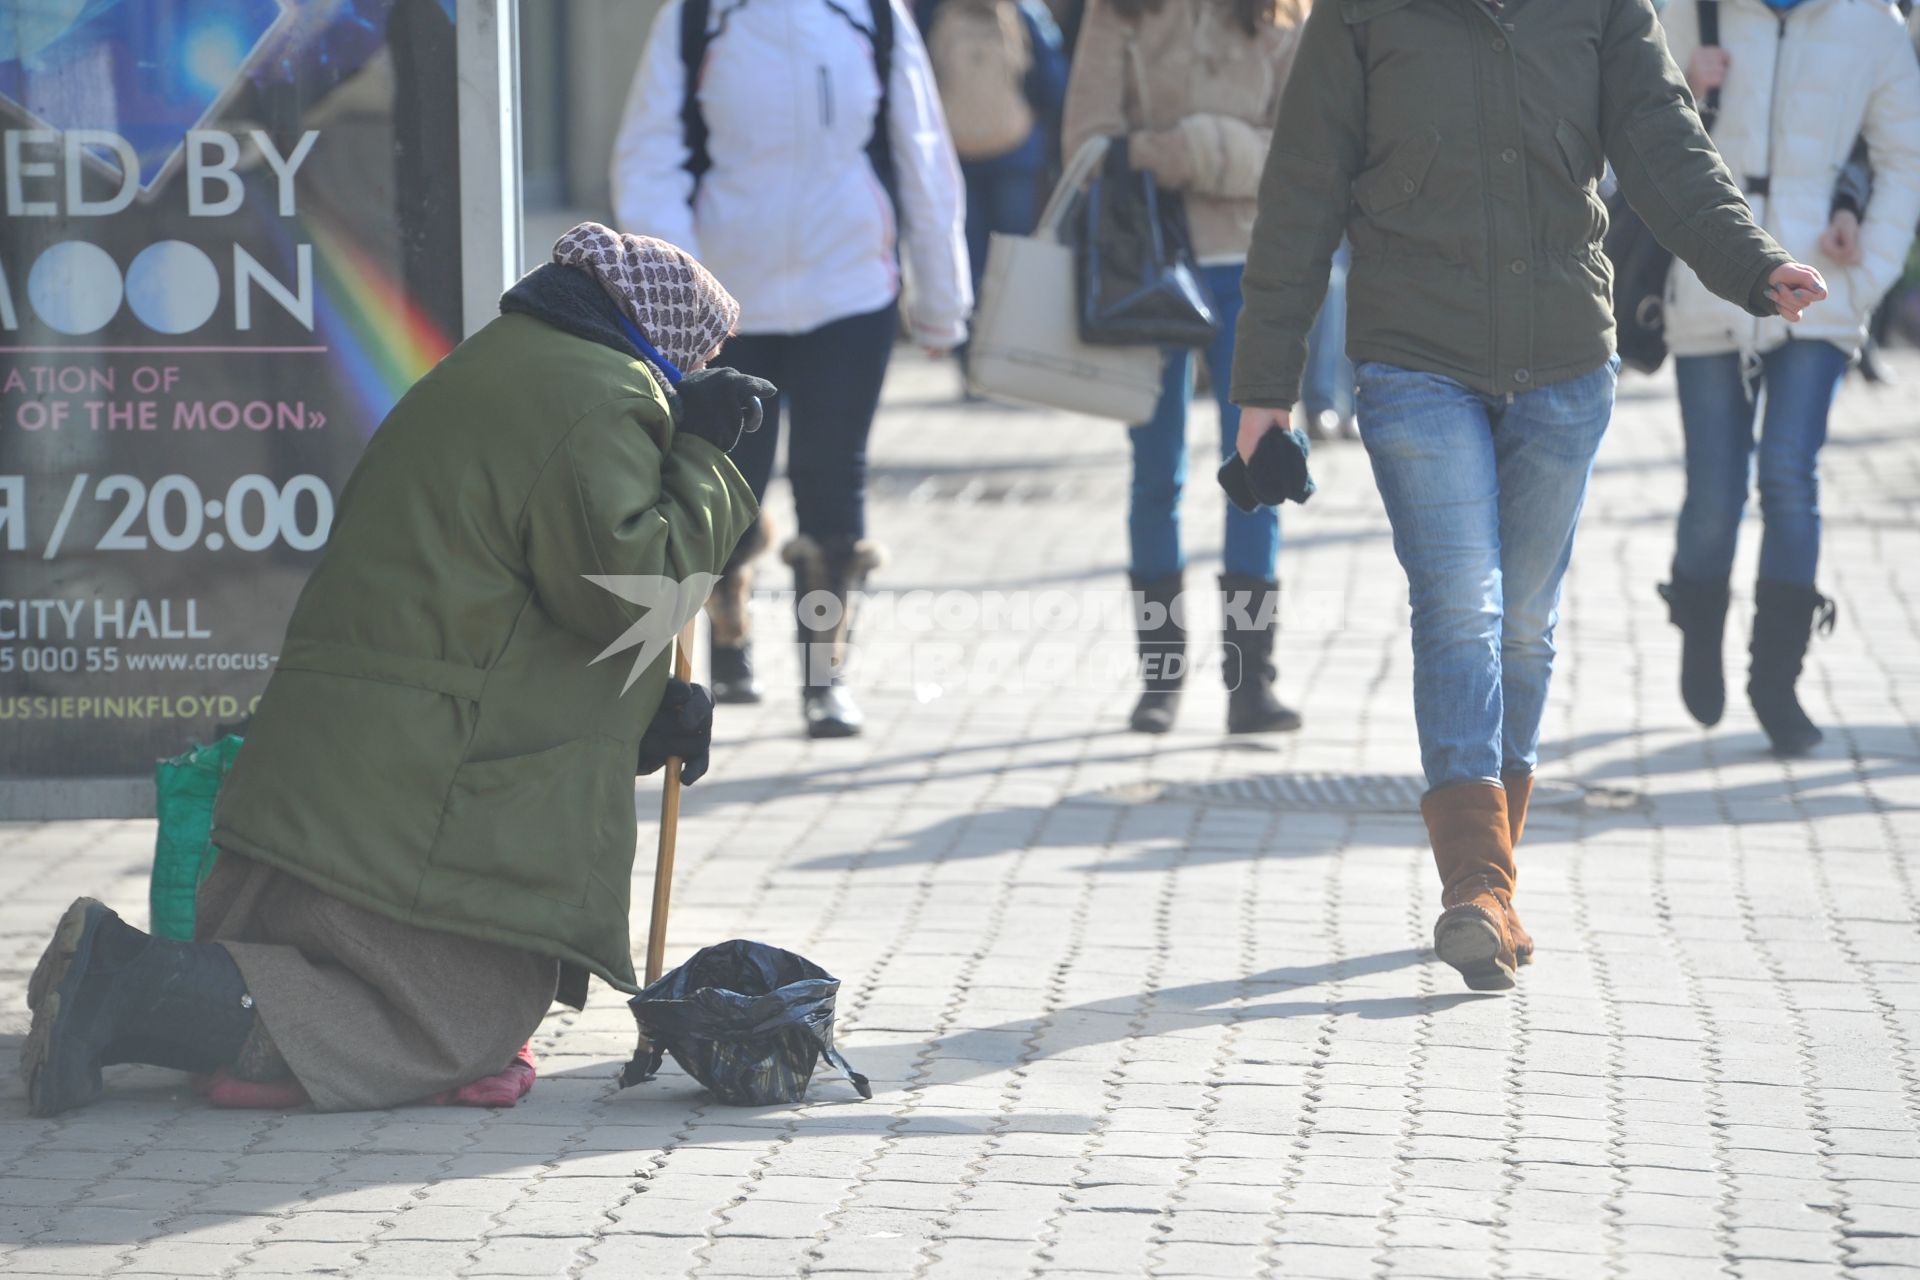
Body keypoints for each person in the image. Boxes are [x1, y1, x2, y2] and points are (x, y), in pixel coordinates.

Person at [20, 225, 767, 1116]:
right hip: (405, 803)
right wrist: (706, 460)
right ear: (663, 329)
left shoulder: (512, 366)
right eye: (703, 351)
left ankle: (138, 987)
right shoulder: (601, 396)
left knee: (407, 997)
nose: (700, 370)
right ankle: (126, 980)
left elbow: (511, 602)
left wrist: (642, 711)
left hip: (348, 780)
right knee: (454, 1023)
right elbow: (632, 588)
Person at [1228, 0, 1828, 991]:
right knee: (1463, 602)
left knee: (1526, 623)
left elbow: (1666, 146)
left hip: (1562, 365)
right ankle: (1475, 883)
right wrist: (1264, 386)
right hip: (1414, 358)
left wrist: (1752, 264)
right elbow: (1302, 189)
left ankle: (1496, 891)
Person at [612, 0, 971, 738]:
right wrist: (681, 296)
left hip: (850, 286)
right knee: (726, 482)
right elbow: (648, 153)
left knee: (833, 474)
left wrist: (942, 297)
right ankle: (730, 631)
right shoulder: (698, 15)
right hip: (729, 292)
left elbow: (921, 147)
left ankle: (823, 676)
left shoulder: (872, 13)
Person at [1657, 0, 1920, 757]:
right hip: (1710, 278)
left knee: (1787, 475)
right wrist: (1683, 81)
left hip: (1822, 288)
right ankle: (1698, 619)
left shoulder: (1873, 23)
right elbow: (1634, 121)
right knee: (1715, 488)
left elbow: (1901, 154)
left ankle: (1777, 680)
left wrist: (1866, 269)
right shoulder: (1690, 9)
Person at [1062, 0, 1307, 736]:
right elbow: (1087, 141)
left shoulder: (1287, 11)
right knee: (1155, 474)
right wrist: (1159, 152)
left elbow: (1305, 153)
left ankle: (1250, 684)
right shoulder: (1119, 10)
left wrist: (1192, 147)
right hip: (1149, 269)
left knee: (1258, 471)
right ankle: (1160, 678)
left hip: (1254, 269)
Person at [921, 0, 1069, 374]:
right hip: (1016, 153)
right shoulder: (1023, 10)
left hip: (953, 154)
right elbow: (1053, 83)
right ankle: (1008, 360)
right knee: (1011, 262)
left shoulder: (932, 10)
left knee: (964, 259)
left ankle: (968, 361)